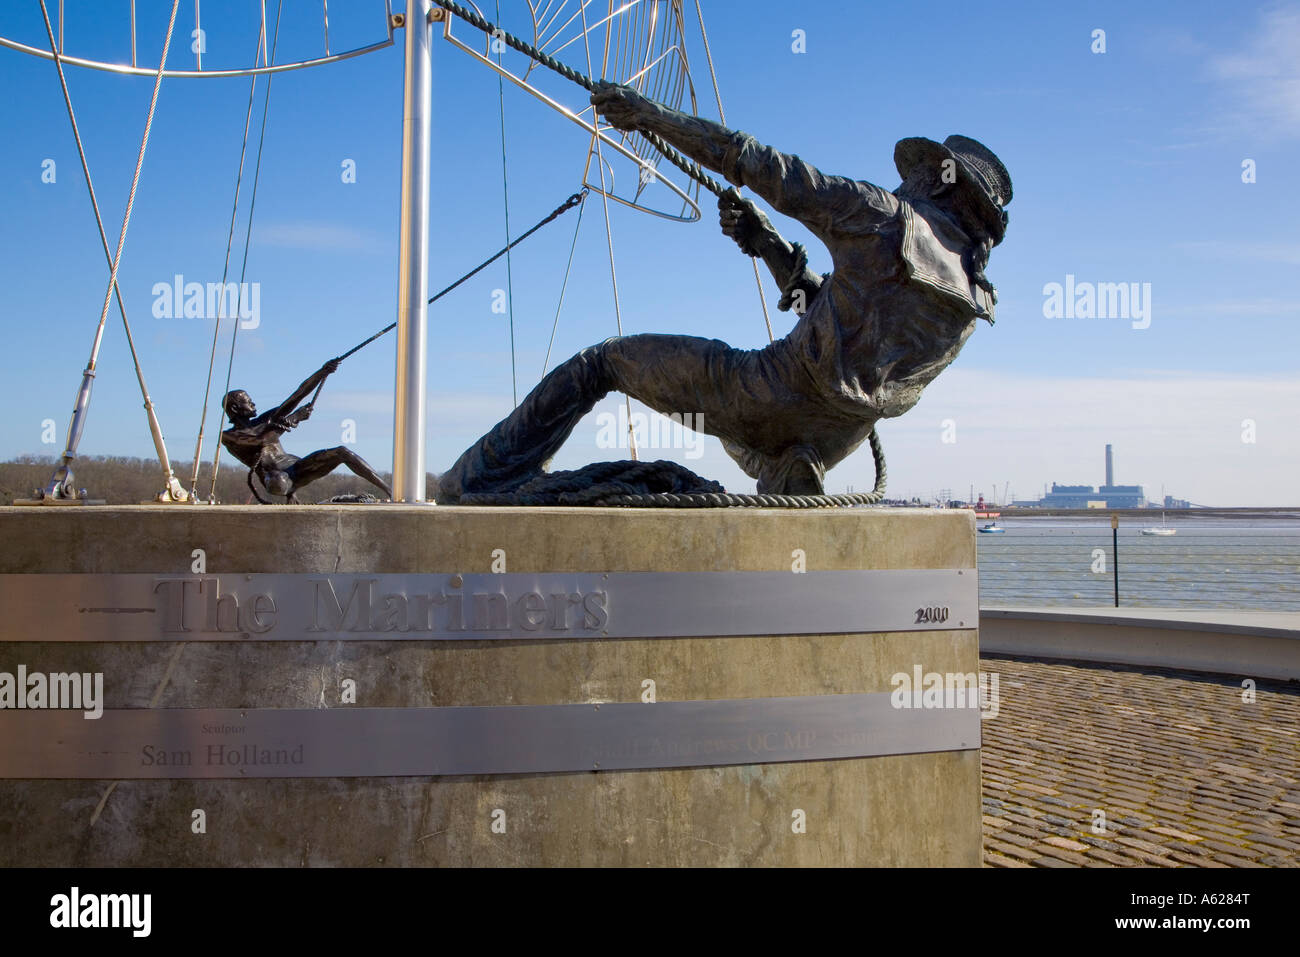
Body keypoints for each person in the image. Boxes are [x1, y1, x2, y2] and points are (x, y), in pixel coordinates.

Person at [436, 82, 1012, 503]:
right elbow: (840, 321)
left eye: (921, 170)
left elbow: (759, 164)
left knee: (603, 363)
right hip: (830, 437)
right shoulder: (969, 304)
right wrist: (765, 243)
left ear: (940, 181)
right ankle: (788, 465)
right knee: (756, 435)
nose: (905, 178)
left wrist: (651, 117)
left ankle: (475, 481)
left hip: (764, 396)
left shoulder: (884, 218)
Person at [221, 358, 392, 503]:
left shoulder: (265, 420)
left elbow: (297, 395)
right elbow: (262, 440)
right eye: (248, 401)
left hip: (297, 466)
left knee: (342, 451)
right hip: (277, 479)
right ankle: (291, 492)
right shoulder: (229, 436)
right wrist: (294, 418)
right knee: (278, 481)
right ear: (235, 408)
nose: (253, 404)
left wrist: (322, 372)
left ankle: (389, 491)